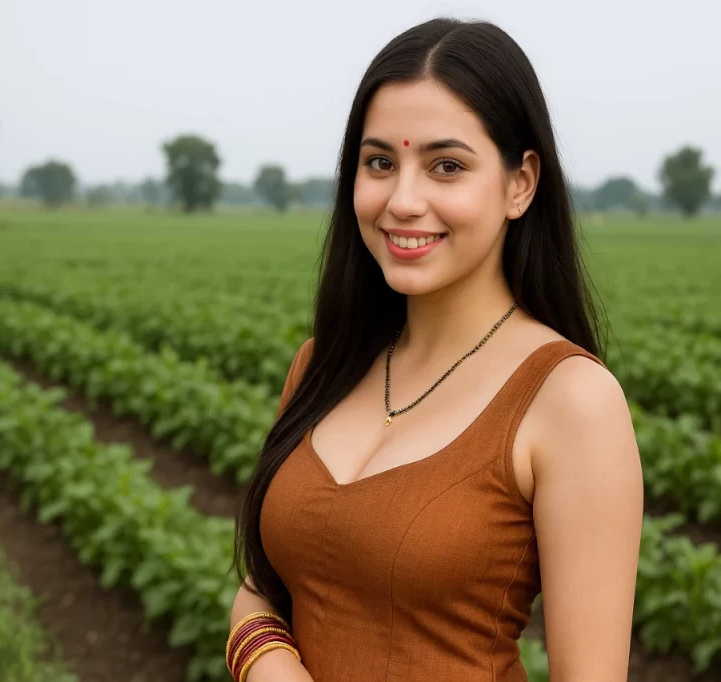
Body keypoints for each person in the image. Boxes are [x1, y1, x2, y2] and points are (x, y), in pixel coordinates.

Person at [229, 16, 643, 682]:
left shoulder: (571, 401)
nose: (403, 200)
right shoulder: (322, 365)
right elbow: (262, 588)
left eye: (446, 166)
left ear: (520, 183)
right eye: (380, 163)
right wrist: (270, 666)